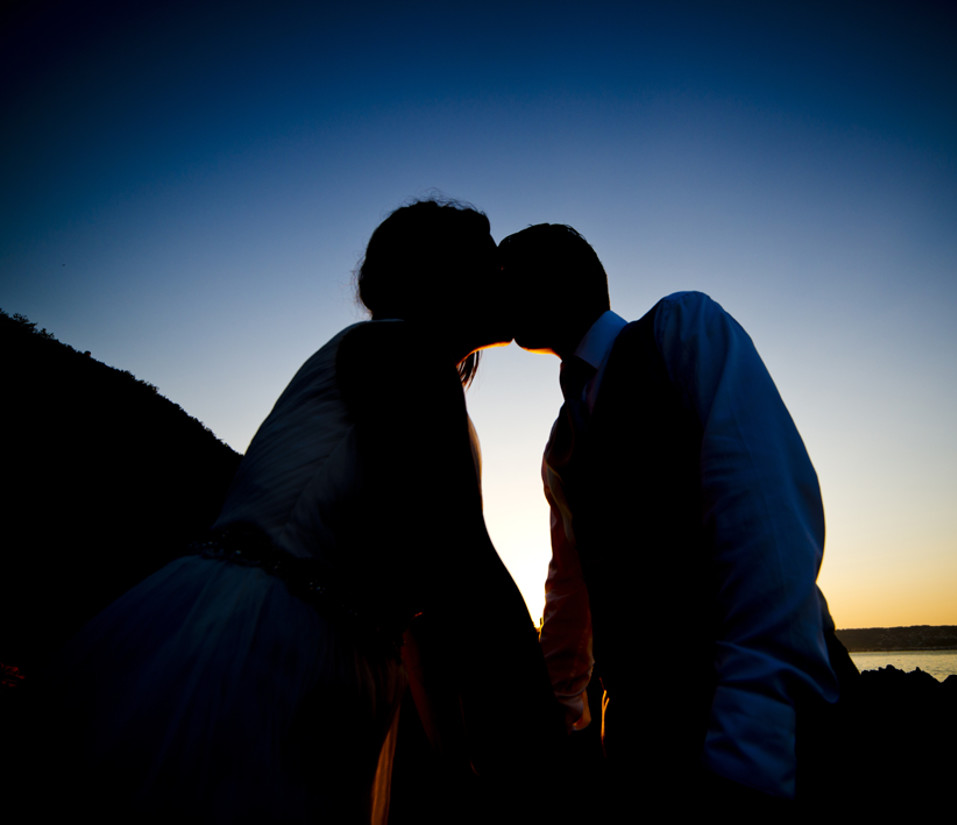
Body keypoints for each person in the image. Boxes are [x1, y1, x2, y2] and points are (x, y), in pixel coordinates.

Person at [45, 200, 562, 824]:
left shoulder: (426, 383)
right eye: (490, 260)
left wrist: (452, 759)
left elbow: (421, 606)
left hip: (337, 672)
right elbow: (464, 564)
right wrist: (551, 752)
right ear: (442, 273)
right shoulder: (397, 351)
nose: (505, 274)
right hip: (259, 649)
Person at [499, 224, 855, 813]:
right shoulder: (560, 445)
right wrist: (560, 719)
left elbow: (765, 517)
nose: (499, 293)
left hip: (767, 738)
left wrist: (751, 740)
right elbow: (570, 591)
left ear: (561, 277)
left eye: (509, 275)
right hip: (642, 743)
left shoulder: (684, 330)